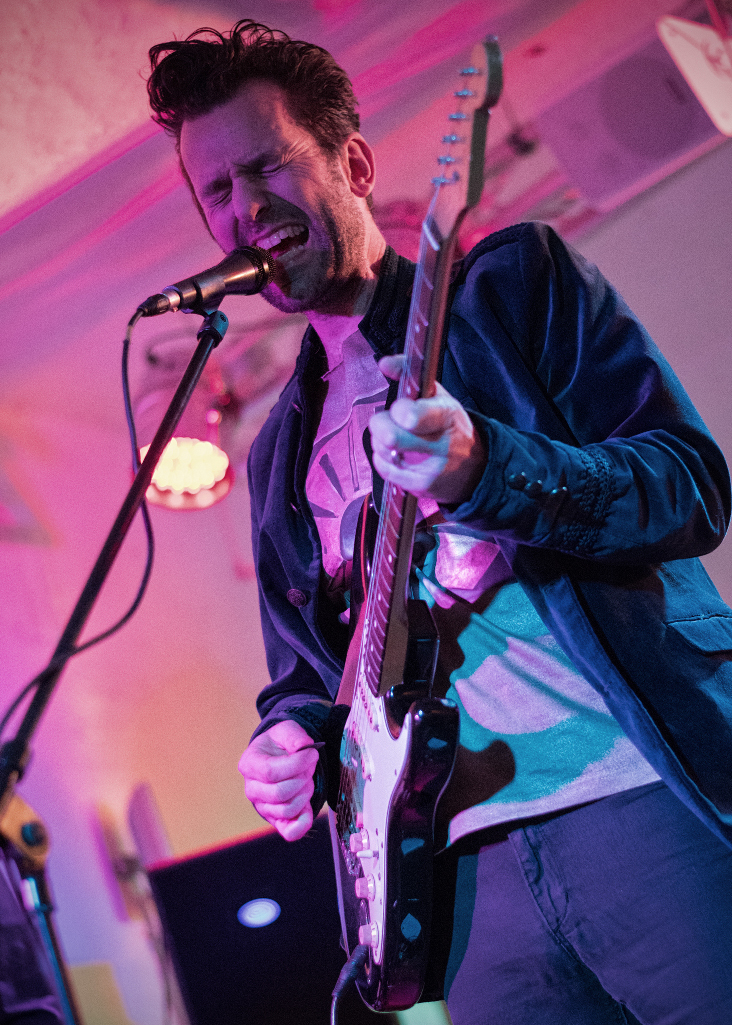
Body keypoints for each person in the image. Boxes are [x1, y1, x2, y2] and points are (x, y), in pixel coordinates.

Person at [147, 20, 732, 1024]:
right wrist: (287, 741)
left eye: (267, 166)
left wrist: (485, 469)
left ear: (355, 164)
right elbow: (310, 676)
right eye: (217, 190)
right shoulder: (278, 453)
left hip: (638, 793)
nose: (245, 209)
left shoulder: (512, 286)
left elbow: (689, 486)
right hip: (462, 892)